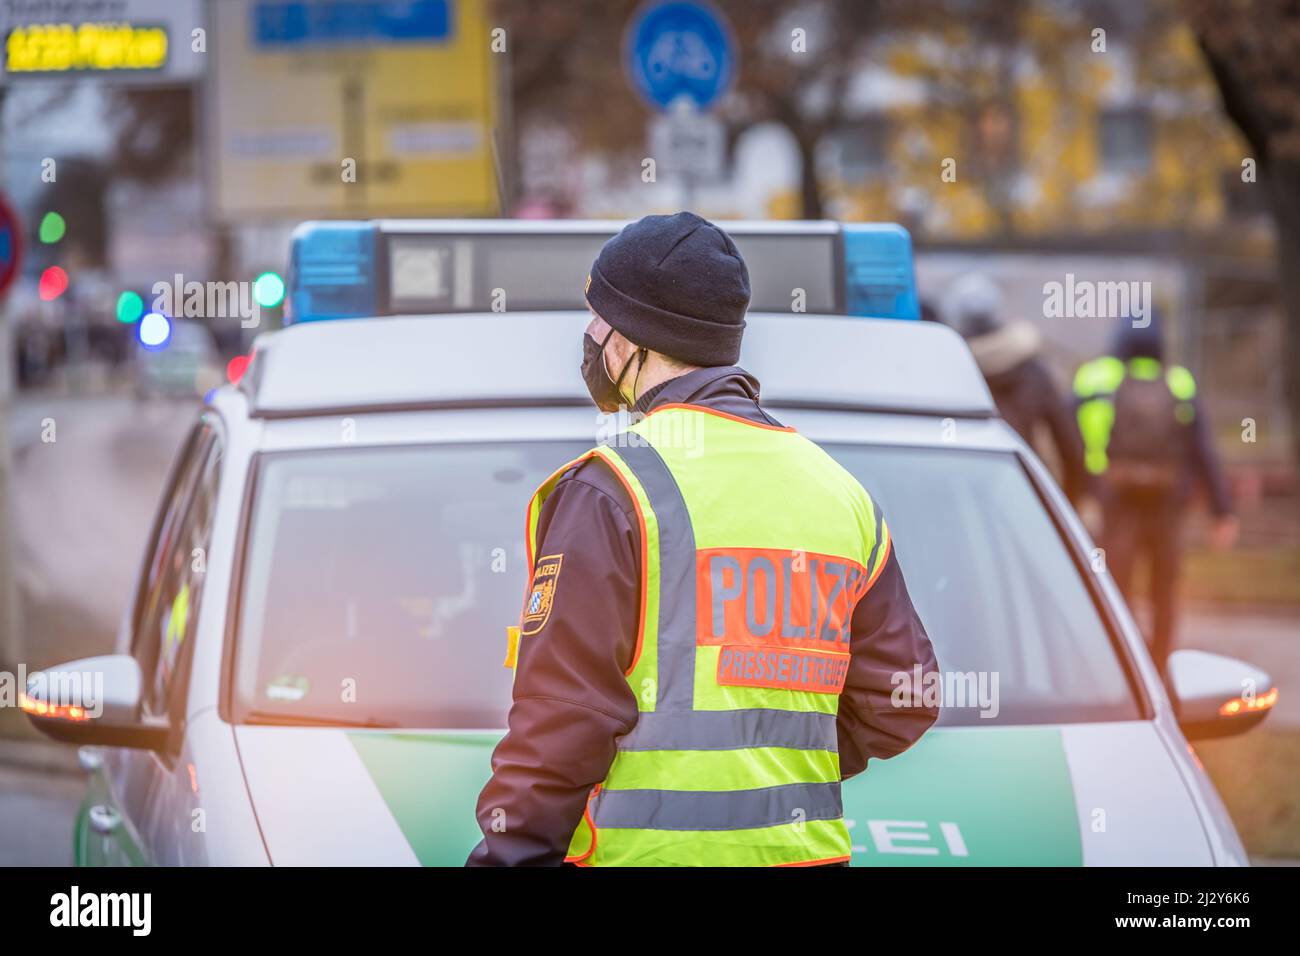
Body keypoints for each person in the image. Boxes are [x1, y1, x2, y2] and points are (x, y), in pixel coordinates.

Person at [467, 212, 940, 867]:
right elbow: (903, 700)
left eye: (598, 319)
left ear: (634, 338)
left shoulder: (614, 490)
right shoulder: (840, 493)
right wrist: (776, 768)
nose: (590, 337)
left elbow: (563, 719)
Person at [1073, 313, 1237, 676]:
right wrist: (1221, 511)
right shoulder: (1179, 382)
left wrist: (1079, 494)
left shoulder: (1095, 377)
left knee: (1116, 587)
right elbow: (1202, 449)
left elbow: (1071, 442)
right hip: (1167, 504)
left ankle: (1124, 668)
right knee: (1164, 590)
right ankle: (1160, 667)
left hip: (1115, 501)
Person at [945, 273, 1087, 502]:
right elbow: (1070, 448)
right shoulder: (1033, 371)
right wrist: (1067, 508)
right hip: (1022, 495)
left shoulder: (950, 369)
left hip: (962, 496)